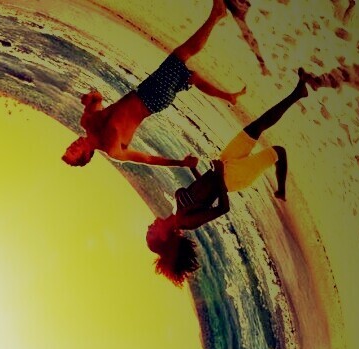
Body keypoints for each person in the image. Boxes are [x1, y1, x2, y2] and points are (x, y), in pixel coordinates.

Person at [145, 70, 317, 283]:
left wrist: (193, 168)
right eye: (151, 233)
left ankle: (298, 92)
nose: (149, 227)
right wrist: (219, 175)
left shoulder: (176, 211)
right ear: (163, 237)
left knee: (258, 125)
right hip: (232, 177)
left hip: (224, 163)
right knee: (279, 152)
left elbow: (203, 190)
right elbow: (222, 208)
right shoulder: (187, 222)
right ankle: (281, 190)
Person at [62, 0, 243, 168]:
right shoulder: (113, 149)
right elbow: (147, 159)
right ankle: (216, 14)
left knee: (192, 78)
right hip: (152, 100)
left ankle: (229, 97)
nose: (72, 145)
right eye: (74, 151)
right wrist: (181, 163)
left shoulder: (87, 121)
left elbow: (98, 99)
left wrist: (90, 96)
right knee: (181, 55)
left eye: (69, 147)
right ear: (86, 156)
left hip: (144, 90)